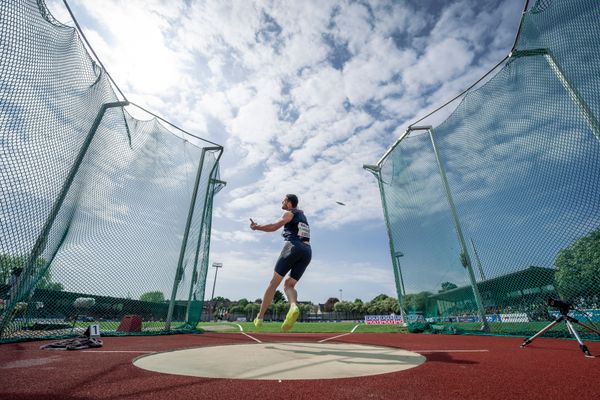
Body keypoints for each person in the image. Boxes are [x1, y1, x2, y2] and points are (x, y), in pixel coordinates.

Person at [250, 194, 312, 332]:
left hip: (293, 247)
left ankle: (259, 317)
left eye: (284, 200)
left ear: (289, 203)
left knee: (273, 284)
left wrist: (256, 227)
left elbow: (273, 227)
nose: (282, 202)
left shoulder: (289, 213)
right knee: (289, 285)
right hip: (307, 251)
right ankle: (293, 306)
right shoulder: (303, 216)